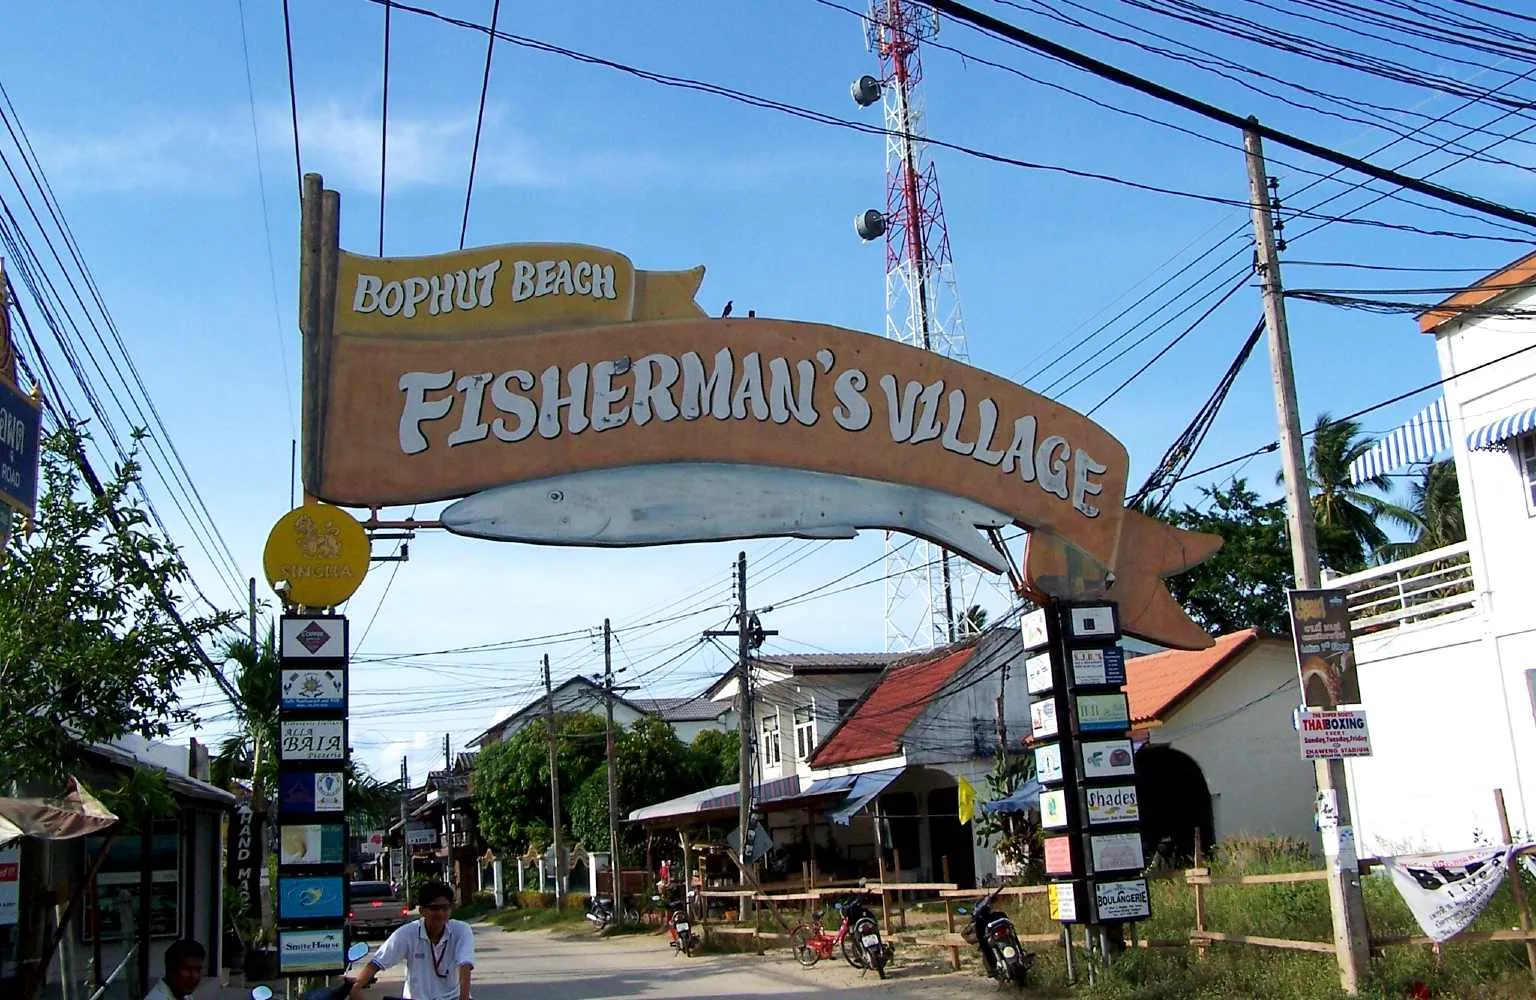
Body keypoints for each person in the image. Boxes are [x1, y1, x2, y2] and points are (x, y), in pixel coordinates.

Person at [349, 881, 473, 1000]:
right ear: (422, 911)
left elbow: (465, 967)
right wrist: (357, 987)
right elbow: (377, 962)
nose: (440, 913)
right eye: (434, 908)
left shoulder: (461, 930)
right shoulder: (407, 933)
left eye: (445, 908)